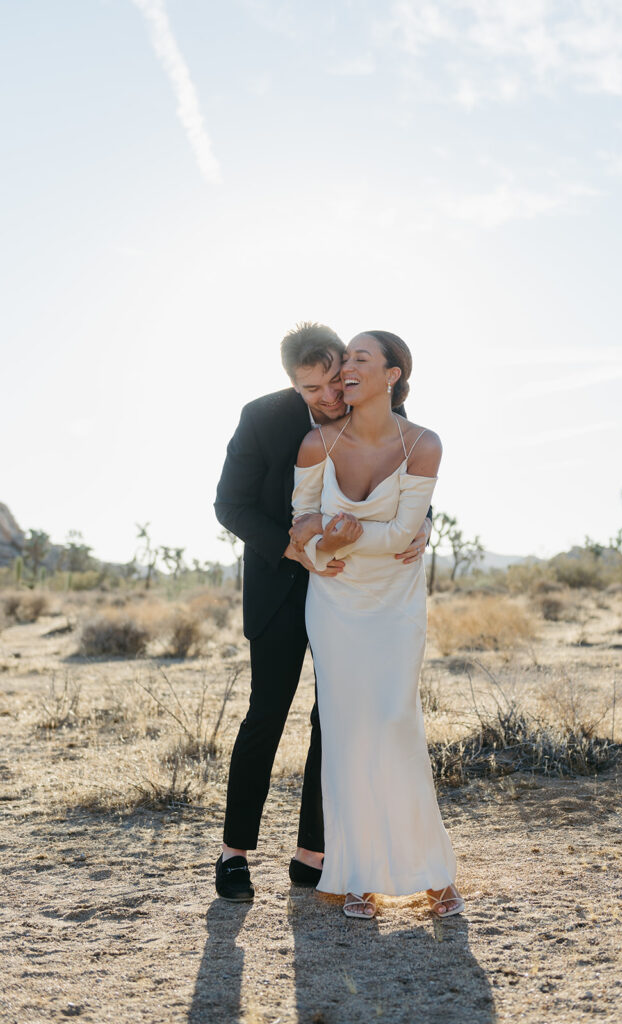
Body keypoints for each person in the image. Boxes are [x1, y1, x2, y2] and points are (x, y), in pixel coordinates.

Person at [213, 322, 430, 902]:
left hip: (351, 591)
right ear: (292, 386)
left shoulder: (369, 403)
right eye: (313, 391)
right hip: (282, 586)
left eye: (335, 380)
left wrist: (424, 525)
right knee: (267, 712)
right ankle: (234, 853)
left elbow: (404, 475)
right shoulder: (262, 418)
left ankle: (312, 850)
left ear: (344, 365)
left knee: (330, 720)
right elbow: (228, 504)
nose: (331, 397)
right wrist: (295, 549)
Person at [290, 331, 464, 919]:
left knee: (395, 723)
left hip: (395, 604)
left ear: (392, 375)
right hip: (334, 605)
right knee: (346, 733)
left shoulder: (424, 444)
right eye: (346, 361)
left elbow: (401, 537)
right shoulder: (315, 444)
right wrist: (320, 547)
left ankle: (433, 874)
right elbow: (301, 535)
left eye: (361, 359)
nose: (347, 369)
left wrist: (336, 537)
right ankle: (358, 875)